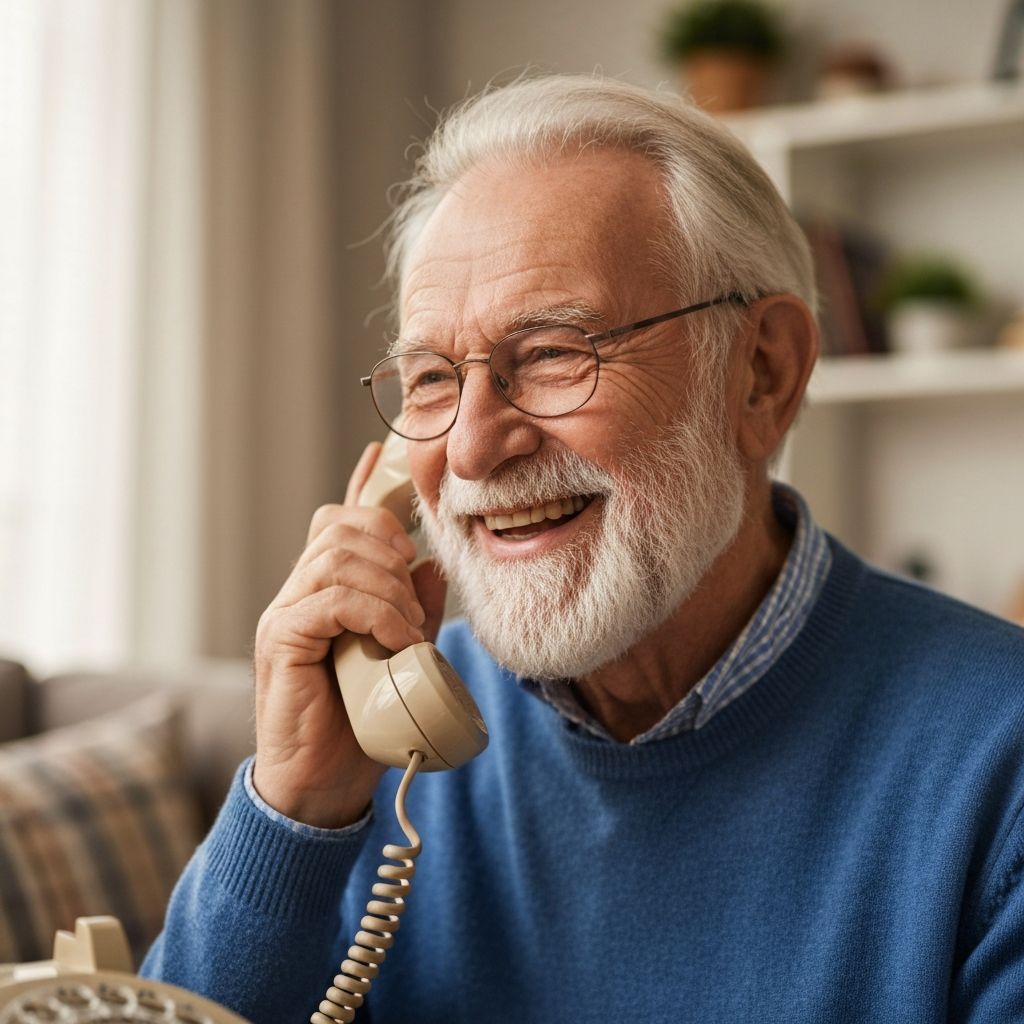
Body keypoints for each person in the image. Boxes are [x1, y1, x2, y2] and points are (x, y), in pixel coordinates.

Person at [142, 75, 1024, 1023]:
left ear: (762, 373)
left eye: (556, 352)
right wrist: (293, 812)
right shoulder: (396, 751)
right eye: (432, 379)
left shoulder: (997, 762)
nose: (473, 448)